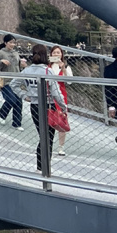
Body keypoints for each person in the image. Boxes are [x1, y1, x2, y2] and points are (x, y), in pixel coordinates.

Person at [12, 44, 67, 172]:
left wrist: (25, 96)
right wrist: (63, 107)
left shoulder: (27, 71)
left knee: (43, 136)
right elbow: (56, 92)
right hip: (49, 106)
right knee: (48, 137)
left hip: (35, 106)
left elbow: (14, 84)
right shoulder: (47, 71)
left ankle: (40, 166)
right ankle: (45, 166)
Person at [0, 34, 24, 129]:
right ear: (5, 43)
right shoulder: (0, 53)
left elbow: (18, 66)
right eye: (10, 42)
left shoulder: (16, 53)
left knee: (19, 102)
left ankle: (17, 123)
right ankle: (2, 113)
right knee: (12, 99)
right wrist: (1, 62)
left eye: (14, 42)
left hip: (16, 81)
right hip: (6, 81)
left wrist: (22, 64)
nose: (12, 44)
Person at [48, 45, 72, 155]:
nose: (56, 55)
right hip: (48, 95)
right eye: (54, 53)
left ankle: (61, 146)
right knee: (49, 120)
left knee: (61, 120)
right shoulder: (47, 66)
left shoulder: (66, 67)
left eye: (58, 53)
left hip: (61, 96)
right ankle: (48, 144)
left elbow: (69, 82)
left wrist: (63, 69)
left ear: (62, 54)